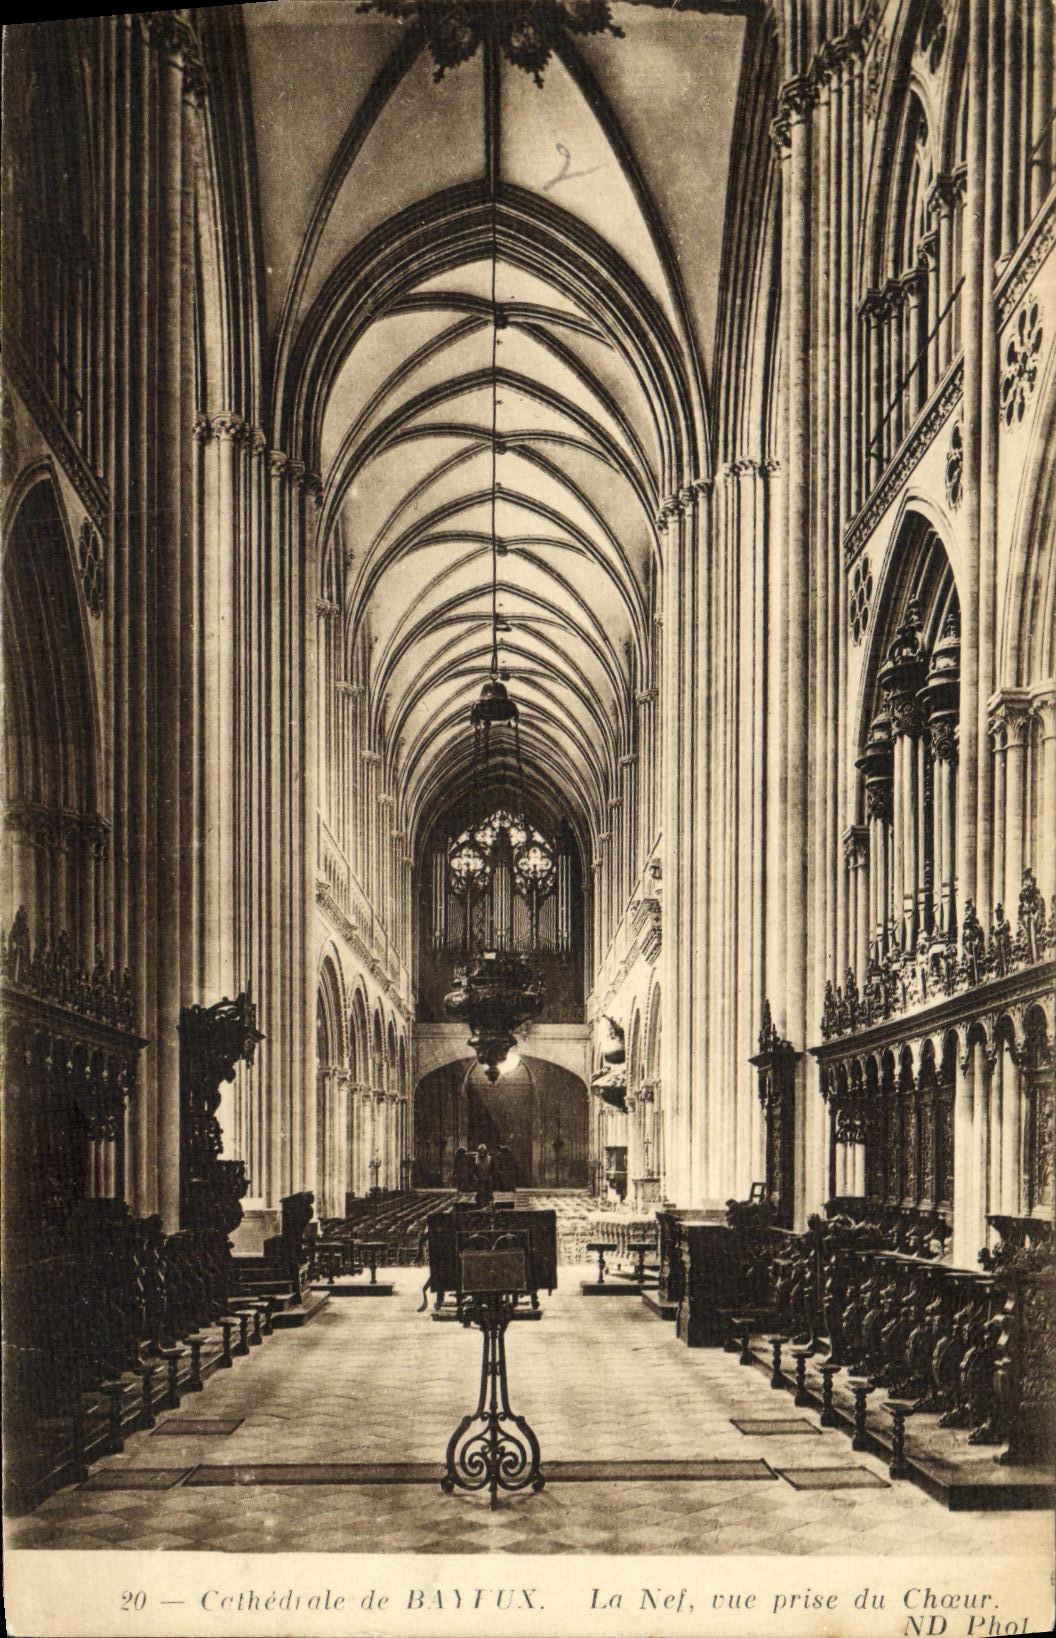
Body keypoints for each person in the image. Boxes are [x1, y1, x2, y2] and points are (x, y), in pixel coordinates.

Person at [474, 1142, 494, 1208]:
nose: (482, 1152)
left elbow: (492, 1169)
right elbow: (473, 1169)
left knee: (488, 1190)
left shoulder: (490, 1159)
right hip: (479, 1178)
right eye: (480, 1150)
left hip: (487, 1177)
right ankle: (479, 1203)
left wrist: (490, 1177)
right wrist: (475, 1177)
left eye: (483, 1150)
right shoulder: (475, 1159)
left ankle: (489, 1202)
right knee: (480, 1190)